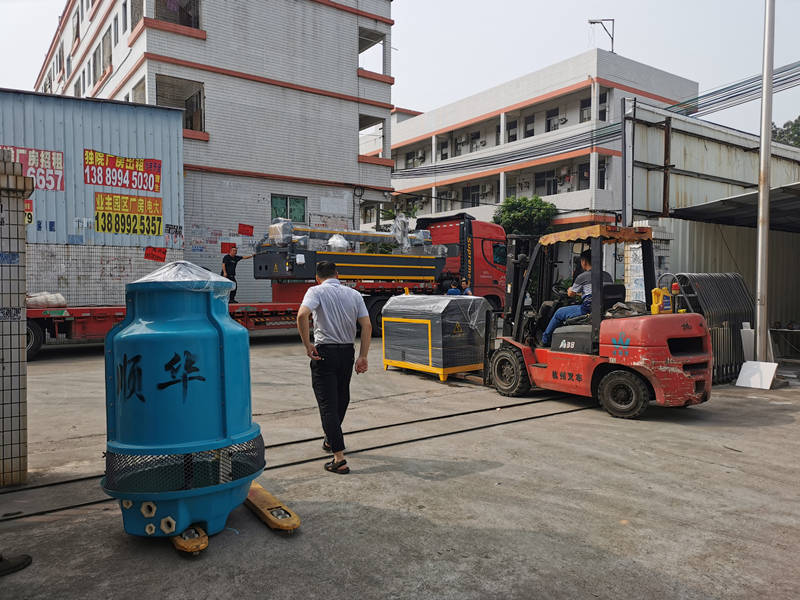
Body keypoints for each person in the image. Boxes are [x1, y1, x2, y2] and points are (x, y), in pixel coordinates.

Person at [296, 261, 371, 474]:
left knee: (328, 404)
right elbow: (367, 325)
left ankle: (339, 458)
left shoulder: (315, 291)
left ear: (317, 277)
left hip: (325, 353)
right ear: (337, 274)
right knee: (341, 397)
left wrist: (307, 344)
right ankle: (331, 440)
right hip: (347, 353)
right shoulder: (354, 294)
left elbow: (302, 315)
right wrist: (363, 356)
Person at [540, 250, 613, 346]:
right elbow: (596, 292)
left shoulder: (582, 277)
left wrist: (570, 290)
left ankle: (545, 340)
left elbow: (570, 294)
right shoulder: (607, 275)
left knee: (559, 312)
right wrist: (581, 294)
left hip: (588, 310)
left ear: (584, 262)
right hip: (605, 307)